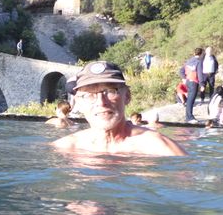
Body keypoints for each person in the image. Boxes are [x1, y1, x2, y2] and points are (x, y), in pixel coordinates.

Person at [52, 61, 187, 156]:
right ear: (79, 103)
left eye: (110, 91)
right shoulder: (65, 148)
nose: (101, 102)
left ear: (127, 96)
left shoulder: (159, 147)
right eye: (89, 95)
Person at [179, 47, 204, 122]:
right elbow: (199, 74)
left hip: (188, 82)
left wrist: (184, 78)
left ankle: (188, 116)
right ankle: (190, 117)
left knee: (189, 99)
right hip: (194, 82)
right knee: (191, 100)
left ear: (194, 53)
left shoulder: (188, 61)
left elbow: (181, 71)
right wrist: (202, 84)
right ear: (201, 54)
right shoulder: (198, 62)